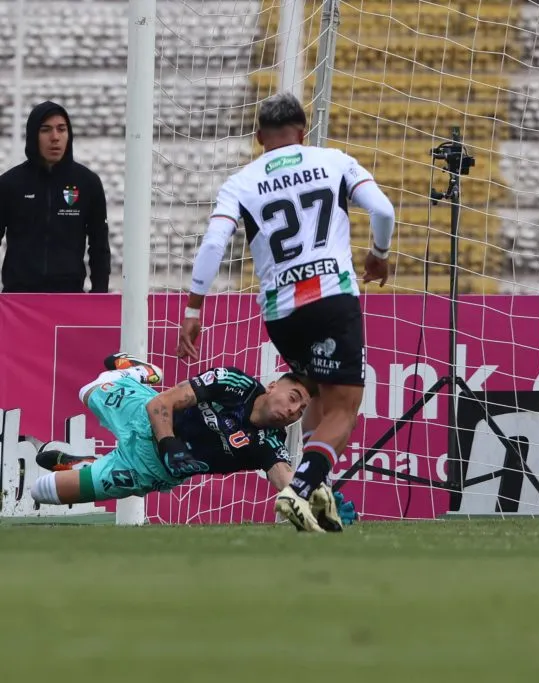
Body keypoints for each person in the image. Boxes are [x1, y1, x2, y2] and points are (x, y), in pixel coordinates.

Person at [175, 93, 395, 532]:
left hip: (281, 313)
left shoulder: (241, 181)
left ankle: (320, 492)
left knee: (315, 392)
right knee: (343, 409)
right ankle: (299, 487)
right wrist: (378, 253)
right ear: (304, 131)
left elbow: (215, 244)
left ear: (259, 138)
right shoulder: (333, 161)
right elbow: (384, 210)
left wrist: (193, 308)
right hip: (332, 297)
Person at [30, 353, 349, 532]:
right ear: (272, 386)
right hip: (143, 416)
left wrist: (319, 505)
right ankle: (141, 372)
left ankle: (83, 463)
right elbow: (161, 405)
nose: (294, 410)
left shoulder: (269, 444)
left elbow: (286, 481)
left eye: (302, 409)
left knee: (42, 490)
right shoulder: (233, 383)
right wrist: (169, 443)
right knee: (88, 389)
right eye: (293, 398)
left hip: (148, 470)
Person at [0, 101, 110, 293]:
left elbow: (99, 245)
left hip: (69, 298)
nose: (55, 137)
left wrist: (98, 294)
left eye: (61, 129)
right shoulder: (9, 184)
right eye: (46, 130)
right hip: (19, 301)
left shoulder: (88, 183)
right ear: (33, 135)